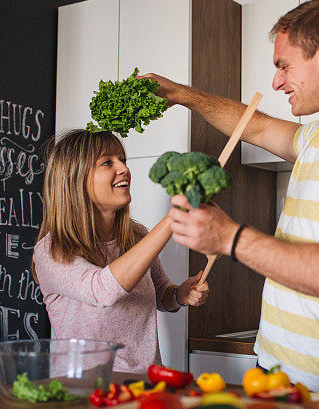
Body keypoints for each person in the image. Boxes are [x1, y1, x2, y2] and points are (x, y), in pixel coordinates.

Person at [142, 0, 319, 393]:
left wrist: (230, 238)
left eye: (283, 65)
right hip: (278, 365)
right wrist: (182, 95)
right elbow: (254, 128)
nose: (276, 81)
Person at [32, 129, 208, 373]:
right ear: (75, 179)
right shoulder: (52, 250)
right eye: (107, 162)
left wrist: (180, 294)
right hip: (84, 388)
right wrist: (173, 218)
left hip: (146, 381)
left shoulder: (137, 236)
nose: (123, 168)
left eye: (122, 160)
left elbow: (160, 293)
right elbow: (102, 291)